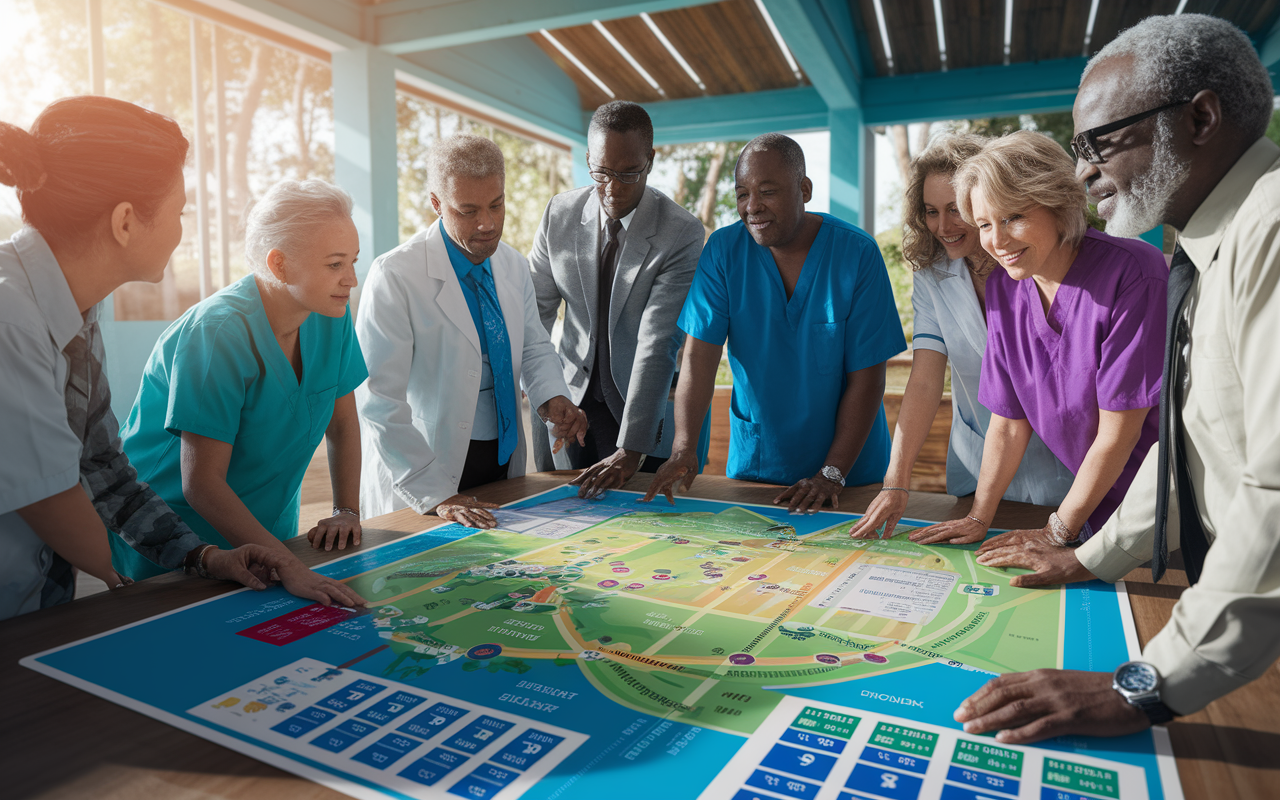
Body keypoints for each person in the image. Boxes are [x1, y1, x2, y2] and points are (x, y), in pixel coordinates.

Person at [955, 14, 1280, 743]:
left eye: (1102, 143)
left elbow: (1276, 488)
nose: (1083, 172)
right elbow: (1188, 452)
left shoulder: (1272, 228)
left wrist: (1146, 683)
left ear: (1200, 117)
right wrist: (1087, 556)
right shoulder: (1203, 251)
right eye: (1079, 150)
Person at [0, 96, 362, 621]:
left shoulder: (76, 306)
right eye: (179, 213)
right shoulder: (12, 316)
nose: (180, 230)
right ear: (126, 222)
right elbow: (54, 500)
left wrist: (204, 557)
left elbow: (102, 465)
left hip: (37, 595)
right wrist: (116, 575)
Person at [907, 131, 1166, 549]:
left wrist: (1055, 533)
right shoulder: (1005, 290)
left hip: (1152, 510)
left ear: (1058, 203)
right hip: (1083, 512)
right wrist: (978, 516)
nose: (997, 241)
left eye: (1012, 217)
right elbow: (1008, 424)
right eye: (985, 224)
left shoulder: (1134, 272)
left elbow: (1120, 432)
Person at [116, 179, 370, 596]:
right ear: (280, 264)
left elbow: (342, 425)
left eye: (353, 262)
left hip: (269, 529)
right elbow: (201, 483)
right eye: (335, 264)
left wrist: (346, 510)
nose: (351, 280)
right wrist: (289, 565)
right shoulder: (216, 332)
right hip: (181, 539)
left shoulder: (331, 314)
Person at [643, 133, 905, 513]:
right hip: (760, 470)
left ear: (805, 189)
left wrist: (832, 472)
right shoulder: (723, 251)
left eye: (767, 191)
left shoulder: (857, 253)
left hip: (849, 475)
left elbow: (867, 379)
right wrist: (683, 447)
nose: (753, 207)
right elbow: (699, 361)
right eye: (741, 194)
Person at [357, 134, 587, 529]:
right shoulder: (395, 275)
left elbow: (532, 343)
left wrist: (552, 397)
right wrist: (435, 494)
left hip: (501, 460)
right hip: (428, 468)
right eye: (468, 210)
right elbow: (378, 400)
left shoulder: (513, 265)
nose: (487, 223)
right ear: (436, 204)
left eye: (496, 205)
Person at [851, 135, 1074, 539]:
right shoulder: (932, 274)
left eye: (955, 209)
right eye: (931, 211)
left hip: (1058, 466)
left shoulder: (1036, 265)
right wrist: (896, 481)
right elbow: (924, 378)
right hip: (975, 464)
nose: (942, 226)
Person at [529, 101, 704, 498]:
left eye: (628, 173)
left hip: (636, 409)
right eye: (601, 172)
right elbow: (534, 313)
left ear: (650, 161)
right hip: (564, 402)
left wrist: (632, 447)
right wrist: (544, 392)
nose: (613, 188)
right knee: (555, 517)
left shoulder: (681, 232)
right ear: (589, 158)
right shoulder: (559, 213)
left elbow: (657, 341)